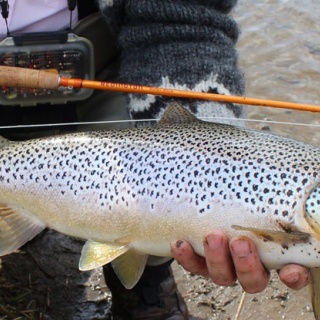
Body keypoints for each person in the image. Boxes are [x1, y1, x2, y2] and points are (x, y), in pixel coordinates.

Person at [0, 1, 310, 319]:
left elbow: (183, 19)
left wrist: (200, 119)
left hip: (96, 74)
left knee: (164, 190)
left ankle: (144, 287)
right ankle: (26, 205)